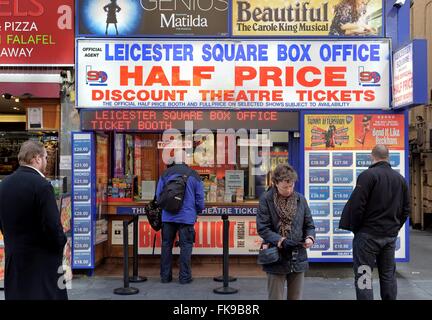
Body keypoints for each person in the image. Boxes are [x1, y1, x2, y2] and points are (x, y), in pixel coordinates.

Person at [339, 144, 410, 300]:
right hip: (389, 237)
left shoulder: (368, 176)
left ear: (372, 156)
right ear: (388, 157)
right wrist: (394, 229)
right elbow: (406, 210)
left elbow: (357, 206)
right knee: (388, 275)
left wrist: (358, 229)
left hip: (367, 236)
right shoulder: (401, 180)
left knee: (364, 275)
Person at [0, 140, 67, 300]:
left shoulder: (4, 185)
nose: (46, 161)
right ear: (36, 158)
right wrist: (61, 243)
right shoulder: (42, 186)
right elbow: (52, 226)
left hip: (14, 262)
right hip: (42, 265)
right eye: (45, 157)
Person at [256, 164, 316, 300]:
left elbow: (309, 224)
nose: (289, 190)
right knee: (275, 297)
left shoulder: (301, 199)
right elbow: (263, 228)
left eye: (291, 186)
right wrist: (281, 240)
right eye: (285, 187)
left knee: (296, 297)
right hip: (275, 256)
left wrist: (310, 238)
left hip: (298, 255)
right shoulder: (266, 200)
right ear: (276, 183)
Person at [156, 161, 204, 284]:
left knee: (166, 246)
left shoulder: (165, 174)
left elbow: (158, 197)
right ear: (185, 162)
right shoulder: (193, 174)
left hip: (168, 217)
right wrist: (197, 211)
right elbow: (200, 199)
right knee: (186, 246)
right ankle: (184, 277)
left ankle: (165, 277)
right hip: (186, 218)